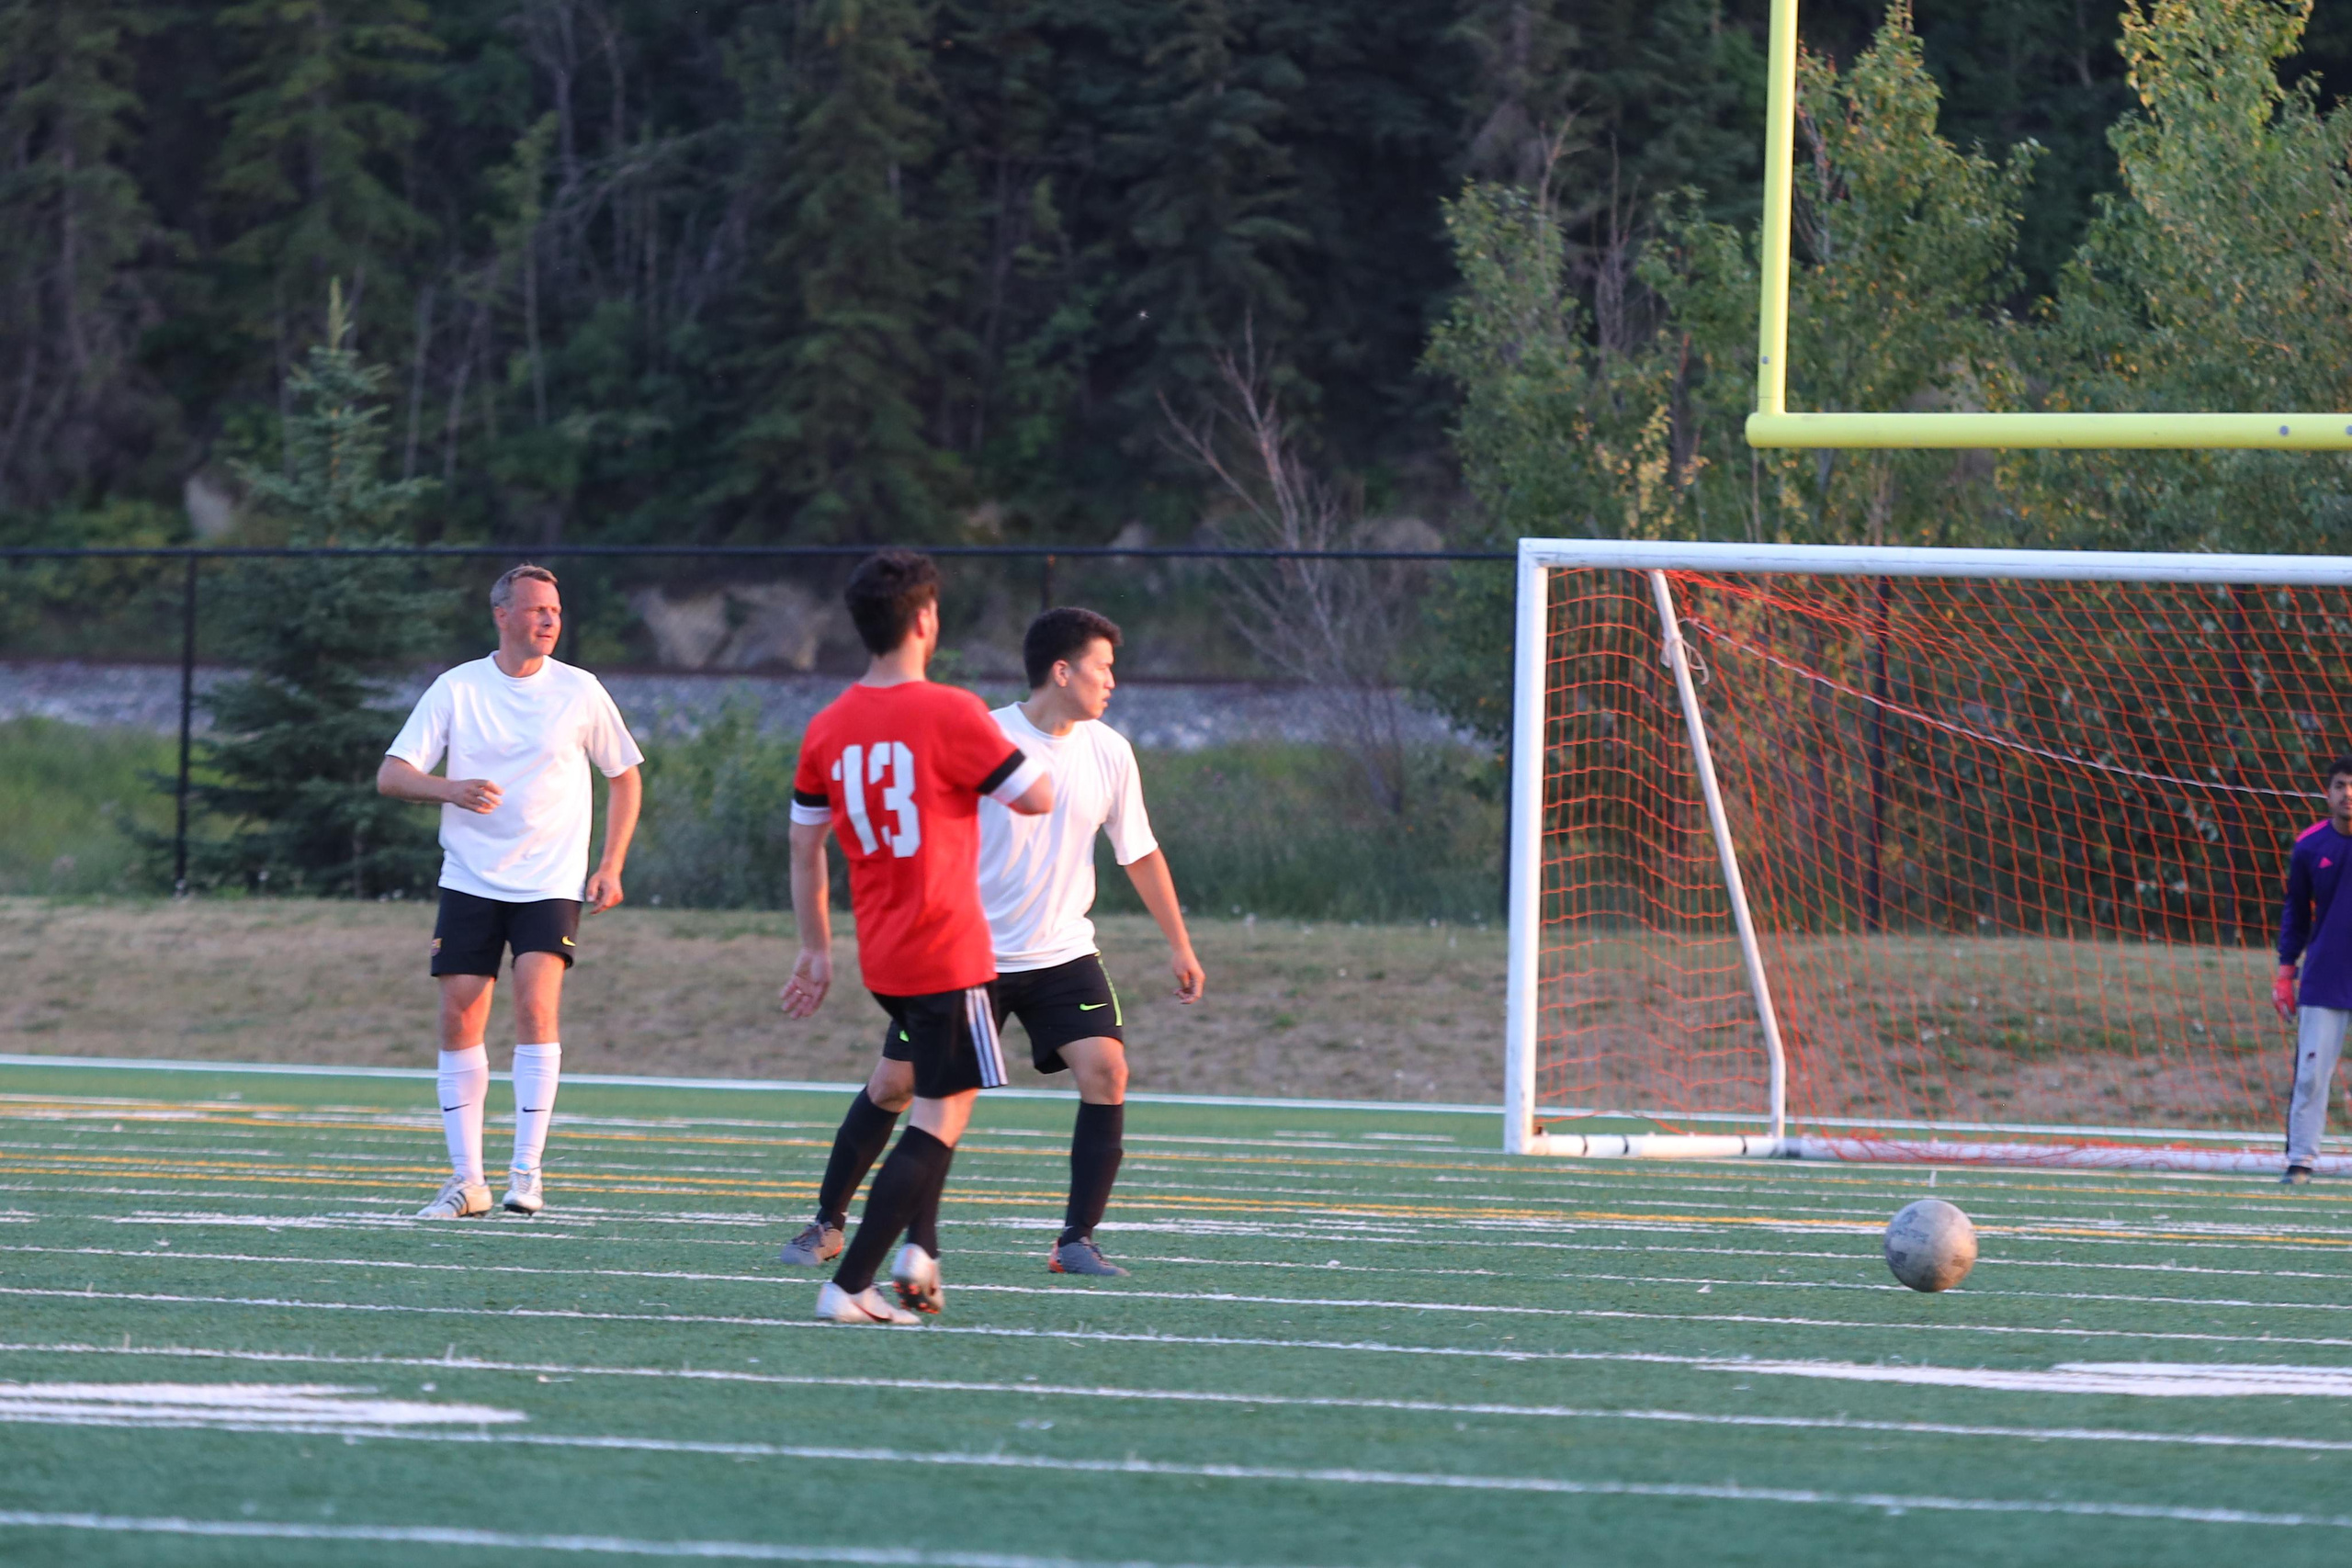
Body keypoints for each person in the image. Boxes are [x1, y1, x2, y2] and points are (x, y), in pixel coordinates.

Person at [779, 606, 1204, 1279]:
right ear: (1062, 671)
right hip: (966, 953)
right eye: (1103, 667)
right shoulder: (980, 732)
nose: (1112, 681)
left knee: (1107, 1070)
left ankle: (1076, 1240)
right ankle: (828, 1222)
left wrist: (1179, 943)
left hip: (1063, 951)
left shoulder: (1110, 751)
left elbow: (1140, 851)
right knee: (896, 1086)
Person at [780, 550, 1054, 1325]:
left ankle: (918, 1254)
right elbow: (1036, 795)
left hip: (884, 953)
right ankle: (852, 1283)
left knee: (927, 1098)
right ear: (926, 620)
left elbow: (805, 843)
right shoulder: (951, 710)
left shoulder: (827, 725)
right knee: (939, 1117)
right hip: (950, 948)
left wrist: (815, 947)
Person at [379, 564, 643, 1220]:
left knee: (535, 1002)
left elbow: (626, 775)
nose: (549, 620)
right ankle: (467, 1181)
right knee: (458, 1014)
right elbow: (392, 773)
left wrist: (609, 864)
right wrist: (450, 788)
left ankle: (526, 1172)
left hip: (550, 879)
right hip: (470, 876)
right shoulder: (457, 687)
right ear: (502, 615)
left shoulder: (580, 690)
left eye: (555, 610)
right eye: (536, 610)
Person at [2275, 754, 2352, 1185]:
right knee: (2310, 1075)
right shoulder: (2309, 846)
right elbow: (2295, 915)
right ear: (2328, 792)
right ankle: (2300, 1162)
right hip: (2325, 976)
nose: (2348, 794)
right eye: (2340, 785)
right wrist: (2285, 974)